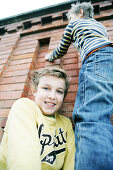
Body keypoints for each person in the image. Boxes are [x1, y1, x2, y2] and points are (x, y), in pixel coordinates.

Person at [45, 2, 113, 170]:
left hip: (96, 58)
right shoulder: (99, 27)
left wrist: (50, 56)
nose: (69, 21)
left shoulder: (75, 24)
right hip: (108, 58)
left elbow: (62, 47)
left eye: (70, 17)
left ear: (80, 12)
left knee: (91, 115)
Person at [0, 67, 75, 170]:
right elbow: (23, 158)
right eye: (46, 88)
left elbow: (70, 164)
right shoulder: (24, 107)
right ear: (34, 90)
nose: (52, 96)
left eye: (59, 91)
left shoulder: (66, 124)